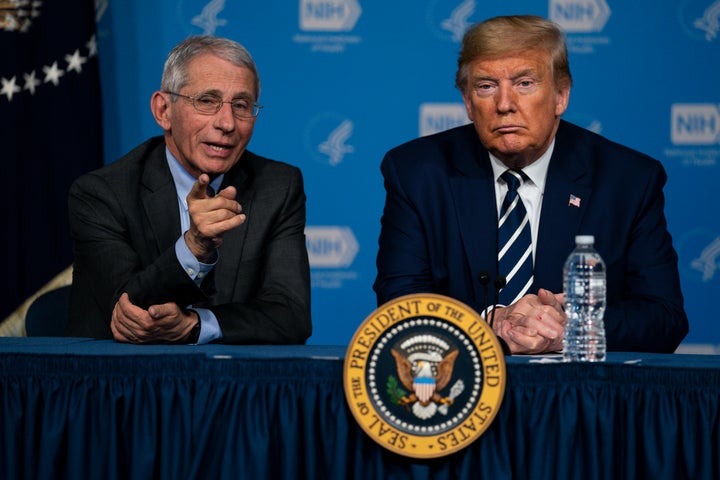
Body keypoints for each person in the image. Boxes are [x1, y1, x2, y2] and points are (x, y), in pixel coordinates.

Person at [373, 15, 688, 354]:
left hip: (582, 396)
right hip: (460, 388)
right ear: (467, 102)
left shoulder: (628, 180)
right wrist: (487, 323)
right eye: (486, 86)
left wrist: (571, 328)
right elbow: (398, 308)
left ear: (560, 96)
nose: (505, 104)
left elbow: (664, 318)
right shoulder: (417, 173)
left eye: (524, 83)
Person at [66, 36, 311, 344]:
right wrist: (194, 247)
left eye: (241, 105)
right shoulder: (101, 193)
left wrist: (198, 325)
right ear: (163, 110)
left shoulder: (278, 186)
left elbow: (291, 316)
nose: (227, 123)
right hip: (124, 383)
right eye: (207, 101)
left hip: (234, 385)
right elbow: (132, 313)